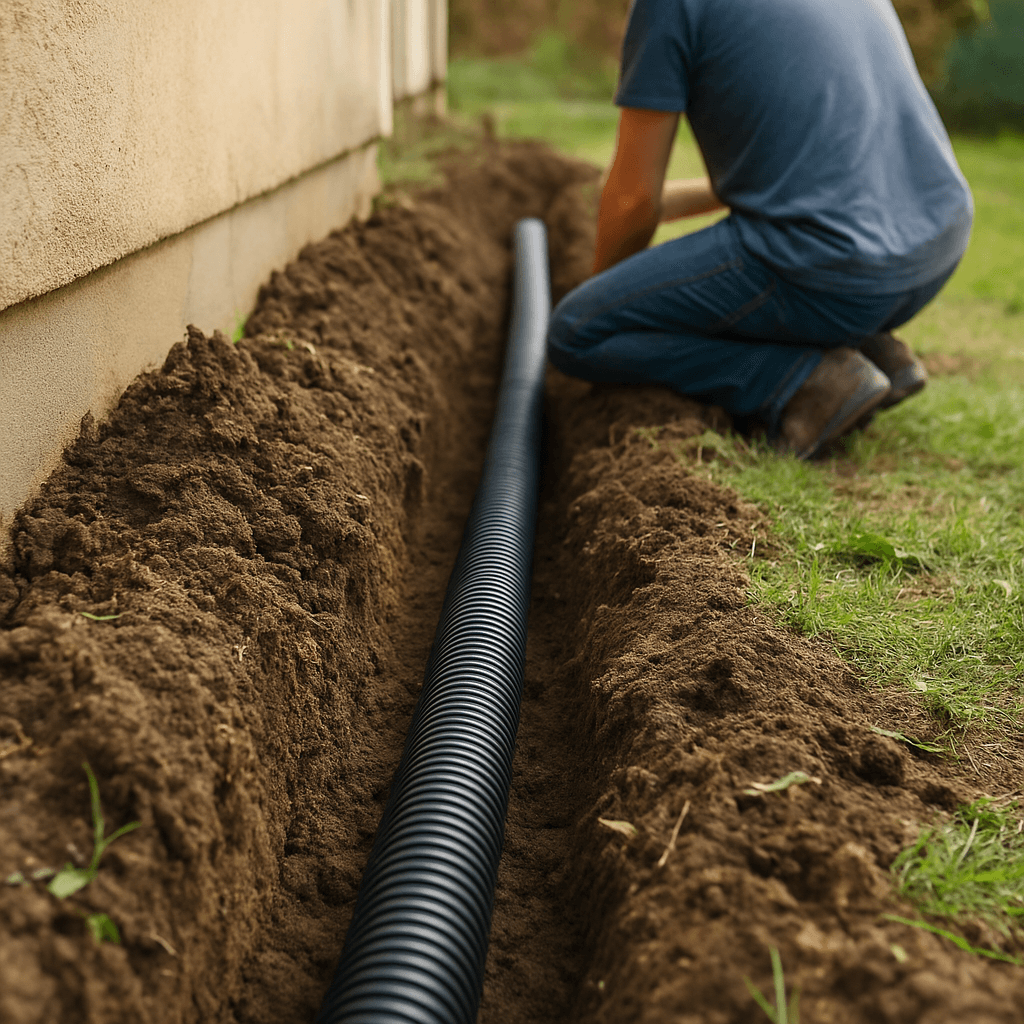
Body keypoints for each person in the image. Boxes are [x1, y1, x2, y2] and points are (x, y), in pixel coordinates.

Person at [547, 0, 973, 458]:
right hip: (935, 245)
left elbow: (633, 200)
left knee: (578, 332)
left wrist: (610, 302)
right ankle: (871, 345)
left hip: (834, 269)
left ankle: (802, 384)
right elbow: (807, 160)